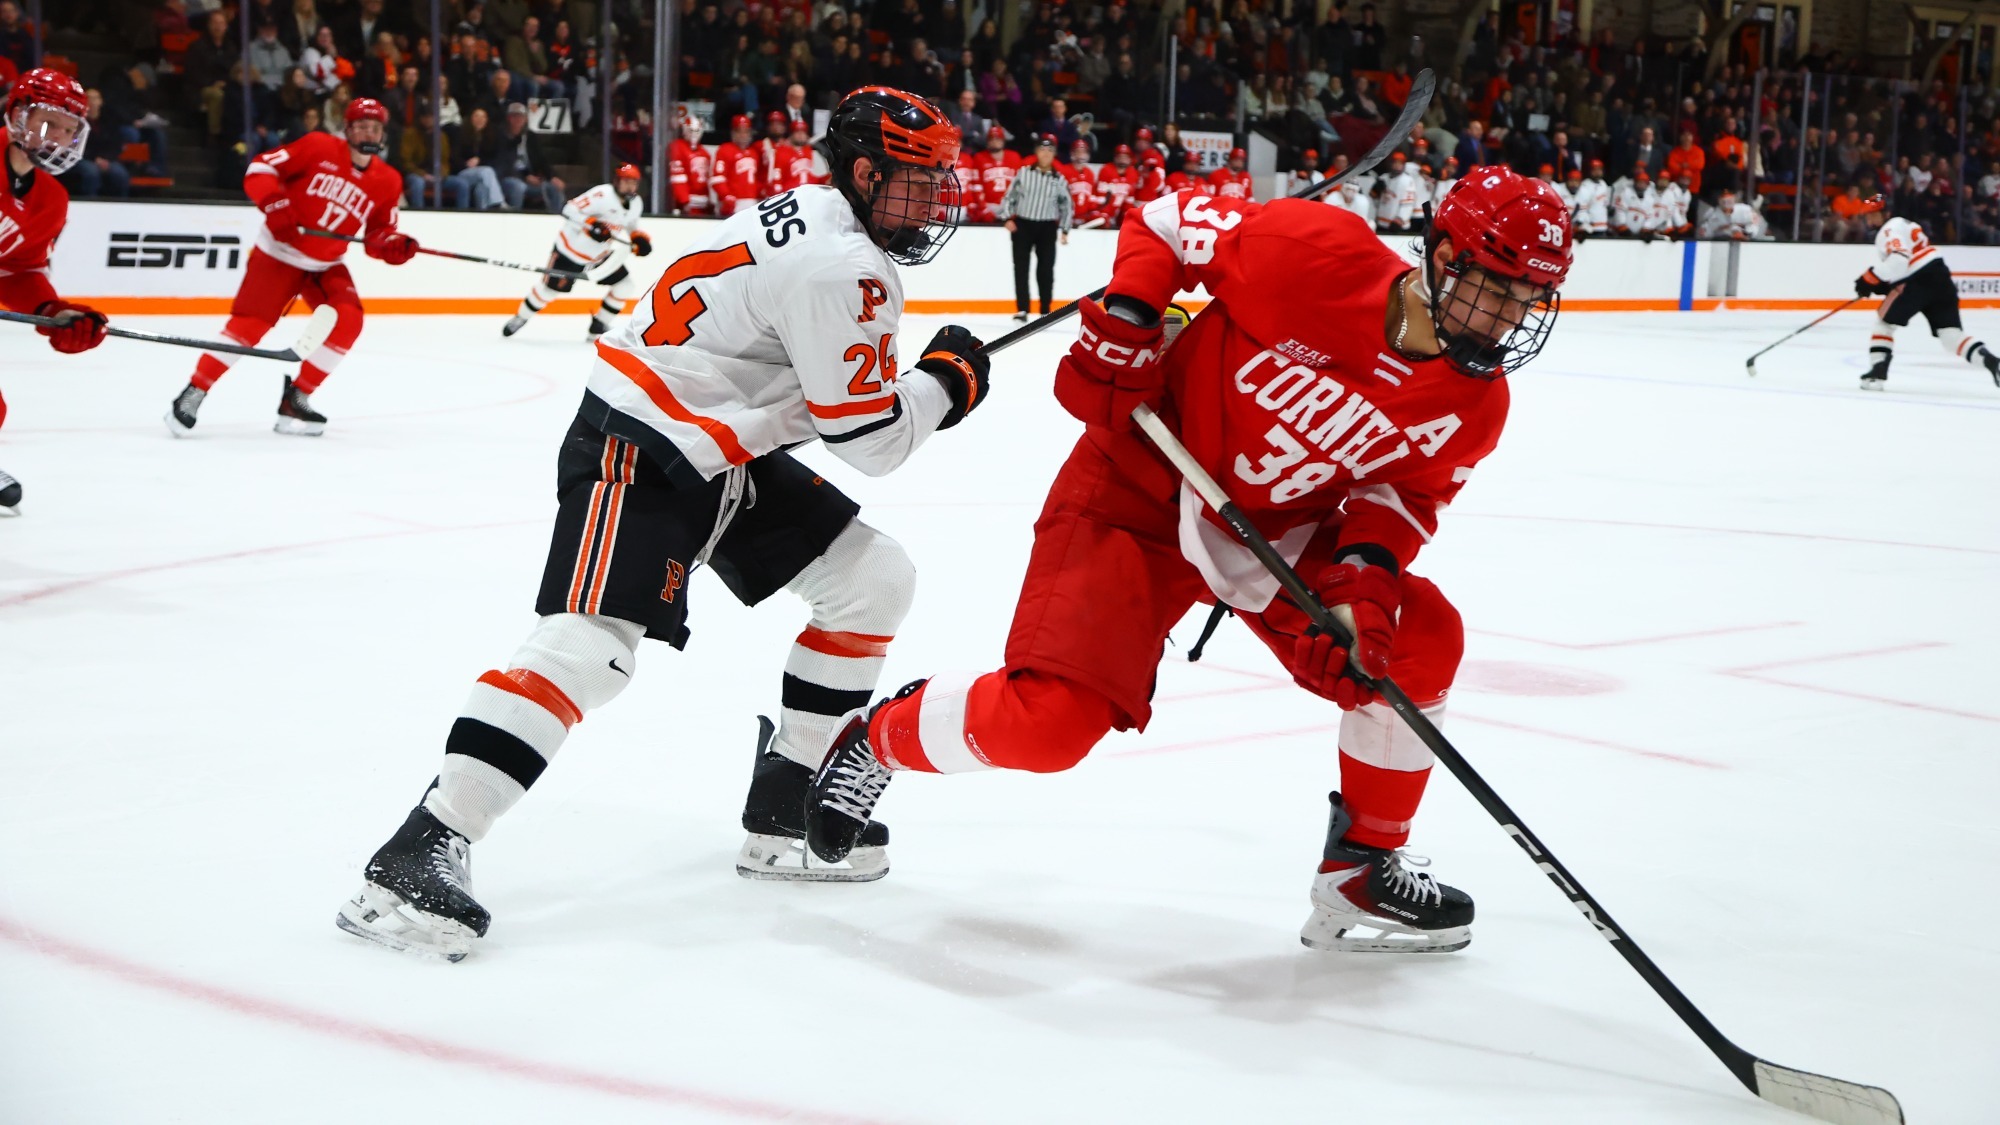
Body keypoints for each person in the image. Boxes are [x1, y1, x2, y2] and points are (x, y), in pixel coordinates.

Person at [803, 169, 1574, 955]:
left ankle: (1360, 867)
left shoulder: (1474, 403)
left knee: (1419, 634)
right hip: (1137, 483)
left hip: (1274, 530)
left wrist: (1361, 592)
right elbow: (1169, 222)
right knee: (1050, 728)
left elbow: (1400, 497)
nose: (1509, 317)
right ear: (1443, 256)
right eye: (1497, 287)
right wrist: (1133, 317)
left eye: (1529, 299)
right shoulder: (1313, 253)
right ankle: (878, 738)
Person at [334, 88, 994, 962]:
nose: (936, 200)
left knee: (870, 579)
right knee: (588, 648)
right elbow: (871, 440)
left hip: (713, 448)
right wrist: (946, 383)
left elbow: (809, 390)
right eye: (920, 180)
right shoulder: (846, 266)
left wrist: (906, 388)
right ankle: (418, 848)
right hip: (641, 447)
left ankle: (786, 800)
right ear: (866, 171)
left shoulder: (821, 217)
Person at [163, 98, 416, 438]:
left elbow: (377, 235)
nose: (368, 132)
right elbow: (260, 169)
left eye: (375, 127)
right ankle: (195, 390)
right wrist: (276, 204)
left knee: (349, 320)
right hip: (278, 253)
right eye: (361, 126)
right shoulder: (318, 146)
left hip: (326, 264)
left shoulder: (388, 180)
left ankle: (297, 398)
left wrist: (391, 245)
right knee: (248, 328)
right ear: (347, 128)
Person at [0, 69, 111, 513]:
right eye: (49, 122)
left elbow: (17, 269)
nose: (59, 136)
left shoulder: (52, 200)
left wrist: (52, 311)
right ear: (19, 116)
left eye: (69, 129)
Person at [503, 164, 651, 339]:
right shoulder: (601, 195)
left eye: (633, 183)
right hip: (570, 253)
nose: (630, 186)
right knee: (547, 292)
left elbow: (630, 223)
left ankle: (599, 324)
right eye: (626, 182)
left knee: (625, 286)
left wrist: (637, 237)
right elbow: (569, 210)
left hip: (599, 257)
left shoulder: (636, 203)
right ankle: (520, 318)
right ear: (617, 181)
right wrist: (592, 224)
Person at [1854, 214, 2000, 391]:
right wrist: (1883, 284)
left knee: (1884, 324)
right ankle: (1991, 361)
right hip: (1939, 275)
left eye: (1872, 214)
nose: (1868, 218)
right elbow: (1906, 260)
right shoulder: (1905, 224)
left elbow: (1900, 259)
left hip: (1916, 281)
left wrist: (1868, 279)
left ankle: (1876, 374)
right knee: (1951, 336)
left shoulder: (1888, 230)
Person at [999, 135, 1073, 321]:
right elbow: (1010, 196)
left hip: (1047, 227)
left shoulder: (1059, 179)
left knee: (1046, 269)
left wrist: (1065, 229)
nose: (1046, 154)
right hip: (1023, 224)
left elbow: (1067, 205)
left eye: (1050, 150)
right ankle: (1022, 309)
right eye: (1042, 149)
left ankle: (1045, 310)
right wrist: (1007, 217)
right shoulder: (1024, 173)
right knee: (1021, 267)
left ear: (1054, 154)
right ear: (1036, 152)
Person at [711, 112, 761, 216]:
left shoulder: (753, 153)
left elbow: (757, 179)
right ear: (733, 133)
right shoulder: (725, 150)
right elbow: (717, 178)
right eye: (739, 131)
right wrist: (726, 196)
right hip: (732, 203)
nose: (743, 135)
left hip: (752, 203)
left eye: (746, 131)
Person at [969, 124, 1019, 222]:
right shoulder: (979, 158)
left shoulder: (1014, 157)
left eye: (998, 139)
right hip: (990, 205)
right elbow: (976, 186)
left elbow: (1020, 184)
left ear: (1003, 141)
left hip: (1010, 205)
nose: (995, 142)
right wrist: (984, 209)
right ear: (987, 142)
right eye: (992, 139)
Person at [668, 113, 714, 216]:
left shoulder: (705, 153)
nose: (693, 134)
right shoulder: (677, 147)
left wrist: (709, 202)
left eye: (696, 131)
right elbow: (678, 178)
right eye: (690, 130)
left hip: (703, 204)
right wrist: (684, 200)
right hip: (687, 205)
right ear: (685, 130)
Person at [1094, 142, 1143, 226]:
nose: (1122, 159)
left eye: (1125, 156)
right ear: (1115, 157)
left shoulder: (1133, 173)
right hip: (1103, 214)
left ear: (1130, 158)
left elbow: (1129, 199)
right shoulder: (1106, 170)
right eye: (1120, 156)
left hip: (1119, 215)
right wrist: (1103, 214)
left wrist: (1126, 216)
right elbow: (1101, 198)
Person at [1060, 137, 1102, 227]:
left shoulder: (1090, 173)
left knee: (1102, 218)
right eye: (1078, 151)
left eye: (1083, 152)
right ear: (1072, 153)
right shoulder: (1064, 171)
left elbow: (1091, 197)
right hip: (1066, 216)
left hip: (1084, 217)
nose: (1081, 155)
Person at [1572, 159, 1610, 237]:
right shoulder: (1585, 186)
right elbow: (1582, 208)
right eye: (1595, 169)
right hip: (1590, 227)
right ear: (1590, 171)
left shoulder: (1603, 184)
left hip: (1603, 226)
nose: (1597, 172)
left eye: (1599, 169)